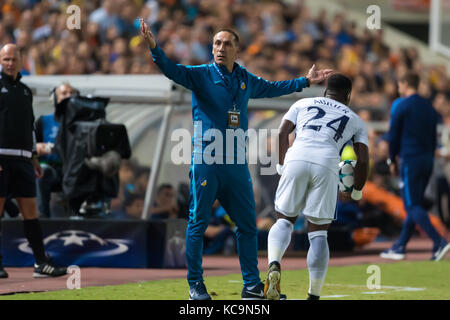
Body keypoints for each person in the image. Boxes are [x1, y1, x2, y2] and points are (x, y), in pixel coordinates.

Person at [140, 19, 333, 300]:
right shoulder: (200, 75)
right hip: (206, 159)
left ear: (236, 49)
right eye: (216, 43)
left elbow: (272, 88)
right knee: (198, 223)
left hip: (236, 164)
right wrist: (154, 47)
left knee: (247, 226)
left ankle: (252, 286)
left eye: (226, 43)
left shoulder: (245, 79)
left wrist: (305, 81)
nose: (220, 48)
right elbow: (171, 70)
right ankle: (196, 285)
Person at [264, 74, 369, 300]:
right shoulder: (355, 119)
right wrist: (357, 190)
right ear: (348, 96)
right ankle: (313, 294)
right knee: (319, 234)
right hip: (327, 164)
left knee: (283, 220)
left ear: (324, 92)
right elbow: (363, 159)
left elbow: (282, 132)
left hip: (297, 158)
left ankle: (274, 263)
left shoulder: (302, 103)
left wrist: (282, 165)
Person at [0, 44, 67, 278]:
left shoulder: (26, 91)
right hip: (1, 158)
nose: (9, 63)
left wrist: (35, 158)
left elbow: (30, 127)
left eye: (13, 59)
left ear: (20, 60)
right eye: (5, 59)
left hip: (23, 160)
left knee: (31, 211)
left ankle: (41, 263)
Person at [381, 72, 450, 261]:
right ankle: (400, 246)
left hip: (410, 160)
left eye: (399, 85)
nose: (398, 89)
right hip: (428, 160)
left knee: (411, 206)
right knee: (415, 205)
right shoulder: (428, 106)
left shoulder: (401, 105)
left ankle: (439, 242)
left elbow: (393, 135)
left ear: (404, 84)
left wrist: (390, 160)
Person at [35, 82, 79, 217]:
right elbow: (32, 146)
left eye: (71, 93)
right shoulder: (44, 121)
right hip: (51, 168)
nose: (69, 96)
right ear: (55, 98)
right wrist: (36, 148)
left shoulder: (81, 123)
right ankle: (42, 216)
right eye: (64, 93)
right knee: (43, 174)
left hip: (73, 169)